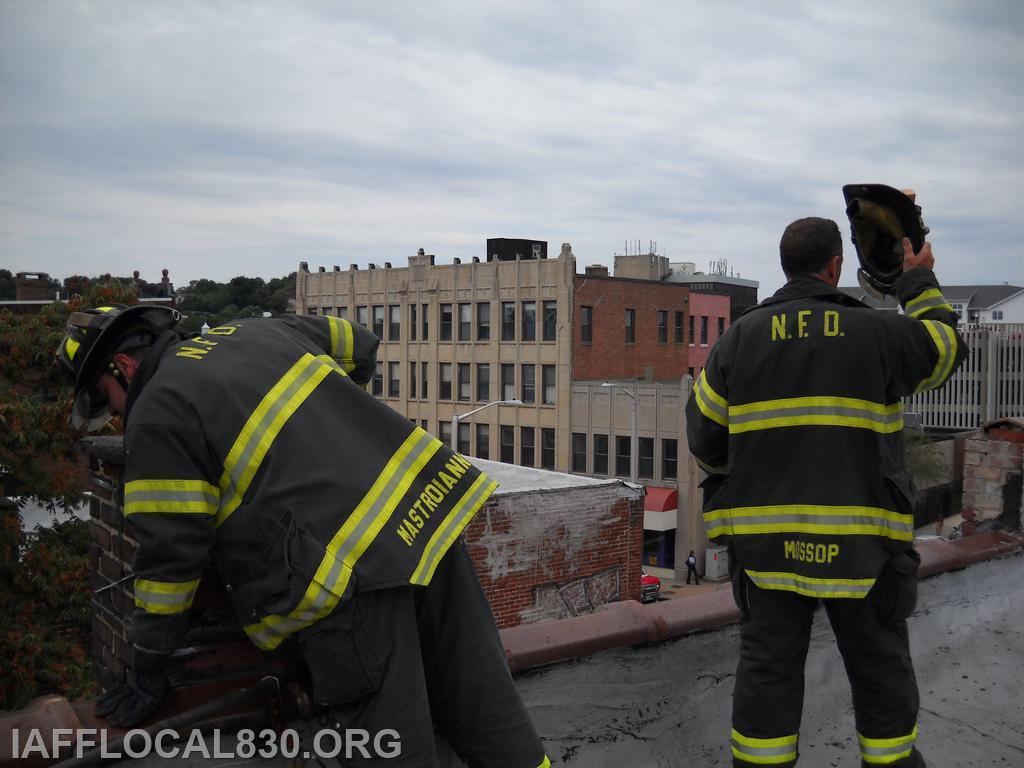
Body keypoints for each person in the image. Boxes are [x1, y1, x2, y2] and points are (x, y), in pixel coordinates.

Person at [56, 306, 549, 768]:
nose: (117, 416)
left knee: (390, 740)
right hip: (425, 524)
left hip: (347, 575)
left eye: (107, 398)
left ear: (123, 366)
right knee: (482, 693)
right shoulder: (254, 331)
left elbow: (171, 555)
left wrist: (149, 664)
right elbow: (360, 345)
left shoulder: (159, 410)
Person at [686, 216, 966, 768]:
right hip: (863, 550)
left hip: (768, 552)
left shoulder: (738, 339)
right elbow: (943, 348)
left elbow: (704, 438)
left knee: (768, 674)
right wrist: (916, 279)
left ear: (785, 266)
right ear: (836, 266)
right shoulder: (876, 333)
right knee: (879, 671)